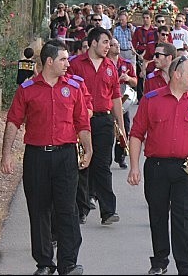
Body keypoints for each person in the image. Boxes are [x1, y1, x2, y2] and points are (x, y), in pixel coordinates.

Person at [1, 39, 92, 276]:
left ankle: (68, 263)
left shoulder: (73, 88)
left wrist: (88, 149)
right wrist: (6, 154)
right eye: (63, 59)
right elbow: (13, 121)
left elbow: (82, 122)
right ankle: (44, 263)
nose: (67, 64)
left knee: (67, 209)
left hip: (65, 156)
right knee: (39, 209)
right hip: (37, 157)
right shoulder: (27, 89)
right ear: (49, 61)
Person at [127, 56, 188, 276]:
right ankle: (159, 260)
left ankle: (186, 266)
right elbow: (137, 134)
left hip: (186, 169)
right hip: (157, 166)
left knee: (184, 217)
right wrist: (134, 167)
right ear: (177, 74)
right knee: (158, 215)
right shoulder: (151, 99)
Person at [69, 27, 125, 226]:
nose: (107, 47)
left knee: (103, 164)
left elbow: (116, 96)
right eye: (104, 43)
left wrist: (120, 126)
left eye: (109, 44)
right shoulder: (75, 65)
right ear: (93, 43)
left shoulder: (110, 66)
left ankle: (108, 210)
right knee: (83, 163)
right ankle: (81, 208)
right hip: (81, 120)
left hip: (104, 121)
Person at [108, 38, 138, 169]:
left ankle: (120, 157)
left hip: (123, 101)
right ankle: (106, 158)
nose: (116, 47)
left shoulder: (126, 64)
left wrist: (129, 78)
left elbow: (136, 82)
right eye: (113, 45)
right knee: (108, 131)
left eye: (117, 45)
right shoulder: (104, 64)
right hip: (108, 101)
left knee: (124, 128)